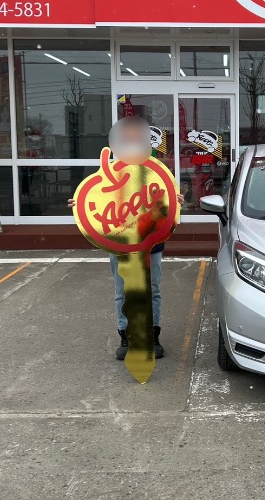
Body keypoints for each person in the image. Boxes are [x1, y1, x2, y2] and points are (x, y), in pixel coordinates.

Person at [68, 116, 184, 361]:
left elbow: (165, 200)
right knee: (122, 291)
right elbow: (96, 198)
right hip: (120, 244)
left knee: (152, 289)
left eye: (136, 139)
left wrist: (175, 201)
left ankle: (152, 335)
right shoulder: (110, 171)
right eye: (127, 140)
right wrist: (80, 204)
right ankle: (126, 335)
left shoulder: (155, 171)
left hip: (151, 242)